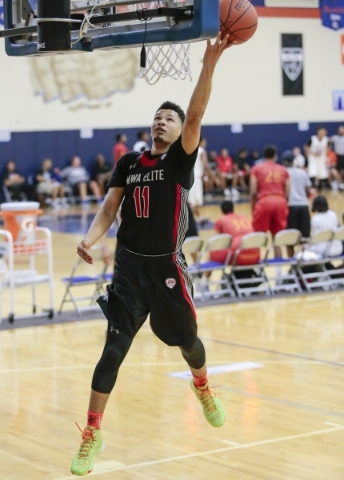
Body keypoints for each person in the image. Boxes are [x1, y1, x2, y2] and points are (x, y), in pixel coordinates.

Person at [71, 32, 231, 477]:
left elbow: (196, 111)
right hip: (128, 268)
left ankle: (202, 386)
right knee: (112, 352)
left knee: (188, 342)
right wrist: (91, 238)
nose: (161, 121)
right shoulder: (129, 164)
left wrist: (209, 62)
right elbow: (109, 207)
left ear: (182, 132)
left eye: (169, 118)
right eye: (158, 116)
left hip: (166, 266)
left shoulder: (180, 161)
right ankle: (91, 434)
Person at [250, 145, 290, 258]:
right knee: (277, 238)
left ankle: (257, 266)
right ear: (275, 156)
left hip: (265, 201)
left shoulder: (256, 168)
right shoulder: (283, 170)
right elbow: (287, 193)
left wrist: (253, 208)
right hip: (280, 200)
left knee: (258, 236)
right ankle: (279, 271)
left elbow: (253, 192)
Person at [209, 200, 260, 266]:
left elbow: (214, 241)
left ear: (221, 211)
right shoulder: (244, 217)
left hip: (237, 255)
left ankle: (204, 275)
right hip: (256, 254)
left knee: (211, 251)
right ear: (233, 209)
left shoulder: (221, 220)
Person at [282, 151, 311, 257]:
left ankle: (292, 263)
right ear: (294, 161)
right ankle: (305, 260)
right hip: (303, 206)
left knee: (290, 239)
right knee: (305, 238)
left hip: (289, 207)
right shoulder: (302, 172)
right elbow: (308, 191)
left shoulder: (283, 173)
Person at [188, 136, 208, 225]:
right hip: (195, 179)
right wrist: (214, 178)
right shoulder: (201, 151)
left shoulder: (190, 149)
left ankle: (199, 218)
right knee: (192, 202)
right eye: (205, 141)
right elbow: (206, 165)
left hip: (190, 177)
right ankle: (197, 219)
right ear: (201, 142)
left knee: (191, 201)